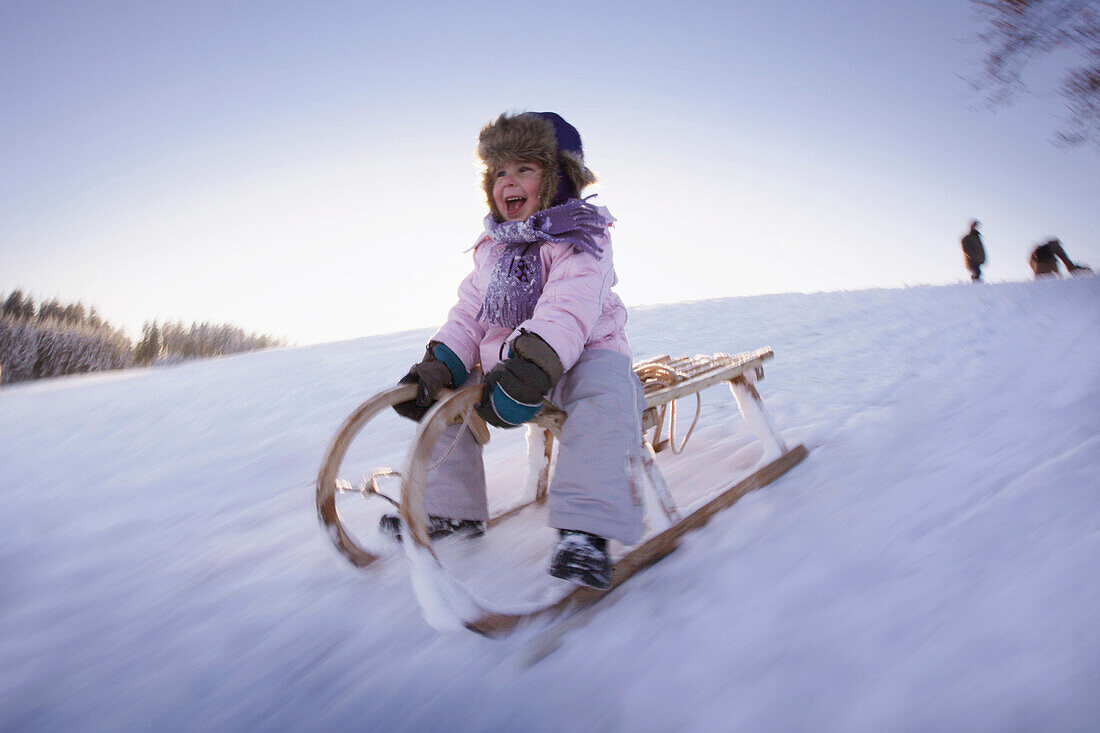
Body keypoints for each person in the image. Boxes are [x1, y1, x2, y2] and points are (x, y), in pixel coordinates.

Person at [383, 111, 645, 590]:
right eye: (499, 172)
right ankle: (450, 511)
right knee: (446, 402)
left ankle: (585, 532)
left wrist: (533, 365)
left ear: (559, 177)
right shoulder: (492, 248)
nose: (509, 181)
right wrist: (441, 363)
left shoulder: (581, 238)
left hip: (585, 353)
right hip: (513, 365)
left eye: (525, 168)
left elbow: (568, 308)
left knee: (606, 399)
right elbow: (469, 315)